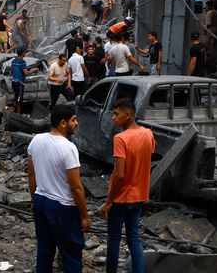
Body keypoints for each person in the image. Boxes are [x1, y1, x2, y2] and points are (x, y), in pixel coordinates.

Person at [28, 104, 90, 273]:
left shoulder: (36, 140)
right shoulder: (68, 148)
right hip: (61, 207)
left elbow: (32, 176)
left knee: (45, 249)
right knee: (71, 253)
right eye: (73, 120)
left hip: (41, 200)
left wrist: (35, 200)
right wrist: (84, 216)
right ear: (63, 123)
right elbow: (76, 187)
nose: (76, 123)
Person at [99, 98, 156, 273]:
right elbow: (150, 153)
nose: (113, 118)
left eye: (116, 114)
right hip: (139, 195)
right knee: (134, 239)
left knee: (114, 238)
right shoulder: (148, 134)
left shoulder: (121, 139)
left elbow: (119, 173)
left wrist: (109, 201)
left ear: (128, 114)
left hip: (121, 197)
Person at [12, 48, 40, 114]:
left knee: (17, 99)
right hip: (19, 84)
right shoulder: (22, 62)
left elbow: (12, 71)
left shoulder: (13, 61)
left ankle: (14, 114)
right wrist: (34, 70)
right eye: (24, 52)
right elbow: (26, 73)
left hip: (14, 82)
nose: (25, 53)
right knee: (19, 101)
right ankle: (18, 116)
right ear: (22, 53)